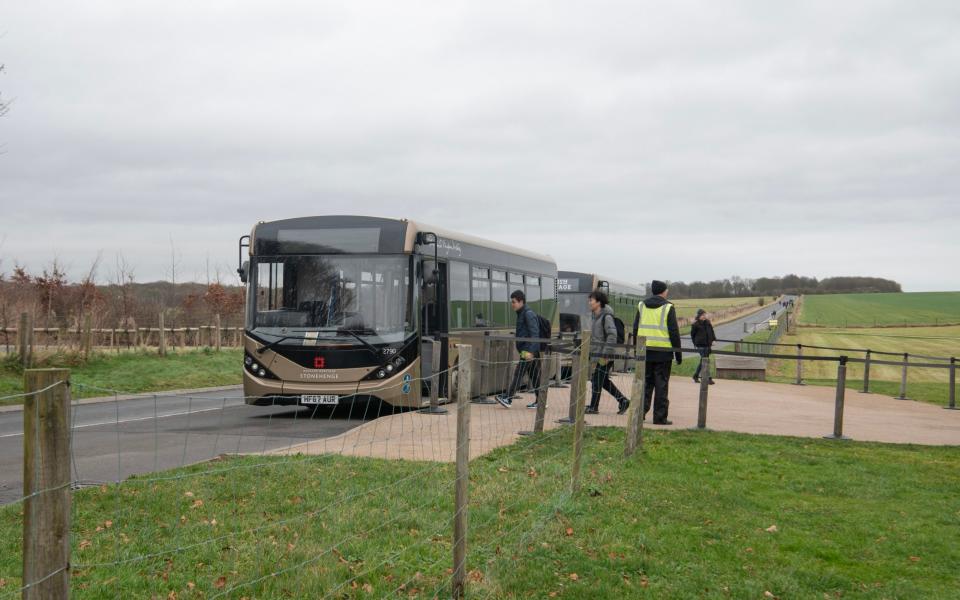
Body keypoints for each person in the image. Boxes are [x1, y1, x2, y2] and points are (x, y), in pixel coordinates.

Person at [632, 280, 682, 425]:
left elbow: (636, 329)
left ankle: (639, 413)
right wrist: (678, 354)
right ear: (663, 291)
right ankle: (659, 417)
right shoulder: (668, 307)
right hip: (663, 353)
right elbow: (674, 332)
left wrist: (637, 349)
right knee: (661, 385)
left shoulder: (641, 306)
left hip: (645, 351)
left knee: (645, 384)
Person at [585, 291, 630, 415]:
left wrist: (605, 355)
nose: (589, 303)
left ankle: (594, 407)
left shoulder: (607, 317)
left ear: (599, 302)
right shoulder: (595, 316)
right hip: (598, 354)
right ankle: (623, 401)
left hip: (605, 355)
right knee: (602, 380)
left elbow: (612, 335)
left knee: (597, 380)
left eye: (591, 300)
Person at [495, 290, 541, 408]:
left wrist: (530, 352)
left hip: (528, 351)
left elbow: (535, 333)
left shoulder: (528, 314)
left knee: (518, 374)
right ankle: (541, 401)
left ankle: (508, 399)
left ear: (521, 301)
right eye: (512, 302)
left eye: (514, 302)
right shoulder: (522, 313)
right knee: (534, 376)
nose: (512, 304)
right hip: (529, 350)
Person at [690, 308, 716, 385]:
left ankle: (696, 375)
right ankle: (708, 378)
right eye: (702, 315)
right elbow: (692, 335)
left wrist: (713, 340)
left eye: (705, 315)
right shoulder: (695, 324)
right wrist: (695, 343)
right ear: (699, 316)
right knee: (705, 360)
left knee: (703, 361)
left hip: (708, 344)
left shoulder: (708, 322)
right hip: (700, 345)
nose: (704, 316)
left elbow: (711, 331)